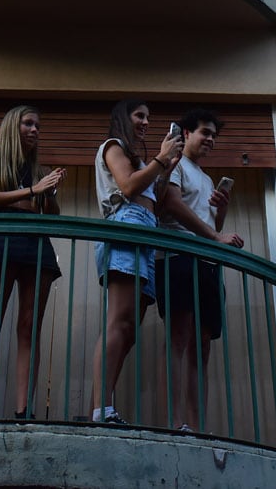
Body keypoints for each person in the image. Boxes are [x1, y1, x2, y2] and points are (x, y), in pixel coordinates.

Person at [89, 99, 184, 424]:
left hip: (145, 229)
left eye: (148, 117)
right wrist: (160, 159)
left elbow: (150, 203)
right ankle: (101, 408)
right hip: (127, 225)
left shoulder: (140, 160)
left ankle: (105, 407)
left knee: (129, 329)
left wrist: (166, 168)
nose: (145, 122)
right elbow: (128, 187)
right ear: (123, 118)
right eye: (139, 115)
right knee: (119, 321)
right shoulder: (113, 146)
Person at [0, 106, 66, 420]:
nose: (35, 129)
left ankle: (24, 409)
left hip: (36, 243)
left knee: (29, 328)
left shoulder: (41, 170)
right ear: (13, 126)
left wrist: (48, 193)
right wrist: (32, 190)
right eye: (28, 123)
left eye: (38, 125)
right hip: (0, 239)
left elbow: (53, 215)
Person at [155, 108, 244, 433]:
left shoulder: (206, 179)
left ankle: (197, 424)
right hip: (178, 257)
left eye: (213, 135)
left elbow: (207, 222)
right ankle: (173, 422)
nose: (210, 139)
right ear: (186, 134)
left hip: (206, 263)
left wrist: (220, 212)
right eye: (204, 132)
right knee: (178, 338)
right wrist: (216, 236)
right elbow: (171, 205)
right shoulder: (176, 164)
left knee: (202, 344)